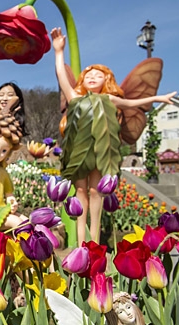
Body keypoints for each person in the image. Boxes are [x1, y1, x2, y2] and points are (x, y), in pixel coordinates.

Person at [51, 27, 177, 245]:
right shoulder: (75, 98)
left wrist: (160, 97)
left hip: (100, 150)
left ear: (106, 80)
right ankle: (81, 243)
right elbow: (62, 76)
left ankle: (95, 241)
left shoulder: (109, 99)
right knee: (80, 192)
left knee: (96, 192)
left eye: (98, 75)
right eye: (88, 75)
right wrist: (58, 51)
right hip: (79, 151)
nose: (92, 77)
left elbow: (131, 103)